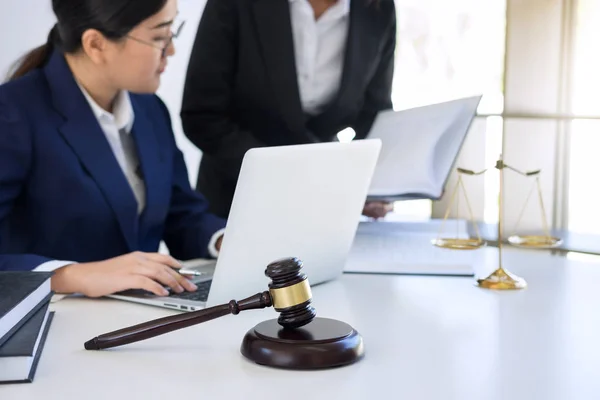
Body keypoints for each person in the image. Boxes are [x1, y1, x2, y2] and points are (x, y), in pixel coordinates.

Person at [0, 0, 226, 298]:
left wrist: (228, 241)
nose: (170, 50)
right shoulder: (12, 114)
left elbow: (181, 215)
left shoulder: (150, 109)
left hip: (142, 314)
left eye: (173, 32)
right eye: (159, 37)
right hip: (56, 322)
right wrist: (71, 275)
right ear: (96, 44)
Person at [180, 0, 397, 220]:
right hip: (236, 196)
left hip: (322, 207)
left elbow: (374, 114)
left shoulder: (378, 8)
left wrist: (371, 183)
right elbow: (201, 115)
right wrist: (292, 174)